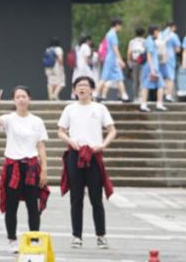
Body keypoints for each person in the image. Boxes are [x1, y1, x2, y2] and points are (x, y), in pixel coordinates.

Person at [57, 76, 116, 250]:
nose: (82, 88)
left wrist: (103, 145)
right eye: (78, 86)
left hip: (93, 155)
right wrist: (69, 140)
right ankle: (76, 236)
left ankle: (101, 235)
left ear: (91, 89)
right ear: (74, 90)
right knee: (76, 198)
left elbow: (112, 130)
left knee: (96, 198)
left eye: (85, 85)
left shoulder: (100, 108)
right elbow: (60, 131)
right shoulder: (69, 109)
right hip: (75, 154)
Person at [0, 85, 49, 254]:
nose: (21, 99)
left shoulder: (37, 121)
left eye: (24, 96)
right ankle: (12, 240)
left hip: (31, 166)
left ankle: (34, 240)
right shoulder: (9, 119)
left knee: (33, 205)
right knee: (11, 205)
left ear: (29, 99)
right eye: (18, 96)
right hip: (12, 166)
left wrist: (44, 169)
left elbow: (41, 146)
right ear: (13, 100)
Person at [96, 19, 130, 103]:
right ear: (117, 25)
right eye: (120, 25)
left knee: (118, 77)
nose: (121, 27)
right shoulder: (113, 34)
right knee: (106, 77)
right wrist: (120, 60)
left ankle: (124, 95)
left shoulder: (108, 34)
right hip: (112, 59)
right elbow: (115, 48)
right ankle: (95, 93)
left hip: (110, 58)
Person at [138, 25, 167, 112]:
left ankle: (145, 104)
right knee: (160, 85)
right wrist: (152, 70)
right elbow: (149, 56)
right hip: (152, 67)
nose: (159, 33)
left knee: (147, 85)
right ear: (154, 31)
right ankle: (158, 104)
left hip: (151, 67)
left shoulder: (149, 40)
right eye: (158, 31)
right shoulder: (150, 41)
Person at [160, 21, 182, 102]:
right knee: (170, 77)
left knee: (163, 77)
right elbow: (178, 49)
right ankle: (168, 95)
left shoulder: (161, 34)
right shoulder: (173, 35)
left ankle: (162, 94)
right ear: (173, 27)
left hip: (160, 58)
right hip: (170, 58)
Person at [126, 28, 147, 99]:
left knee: (135, 80)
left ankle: (135, 96)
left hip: (135, 62)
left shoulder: (132, 42)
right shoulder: (145, 41)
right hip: (143, 62)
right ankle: (141, 96)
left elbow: (129, 52)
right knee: (142, 79)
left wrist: (129, 62)